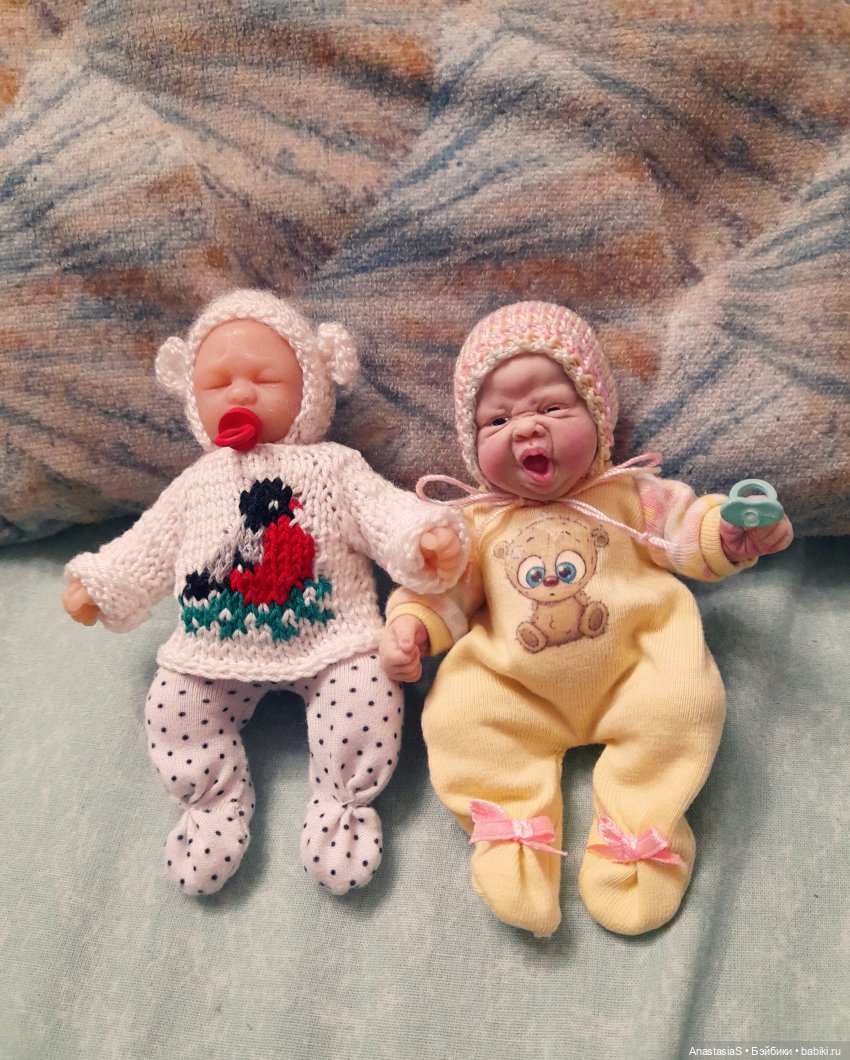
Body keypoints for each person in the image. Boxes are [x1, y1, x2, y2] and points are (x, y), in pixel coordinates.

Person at [380, 301, 793, 937]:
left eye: (551, 408)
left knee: (685, 704)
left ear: (599, 417)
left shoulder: (628, 494)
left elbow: (687, 531)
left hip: (635, 668)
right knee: (459, 714)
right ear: (470, 445)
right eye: (498, 419)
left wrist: (732, 535)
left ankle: (638, 831)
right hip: (516, 687)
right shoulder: (475, 523)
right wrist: (411, 626)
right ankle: (511, 832)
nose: (526, 429)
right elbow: (442, 590)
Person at [63, 289, 467, 897]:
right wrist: (103, 582)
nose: (241, 393)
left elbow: (383, 511)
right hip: (210, 653)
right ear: (192, 398)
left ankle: (341, 803)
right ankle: (212, 803)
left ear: (311, 387)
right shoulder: (197, 483)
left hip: (334, 642)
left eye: (265, 378)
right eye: (218, 382)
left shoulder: (332, 466)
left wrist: (422, 538)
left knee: (369, 692)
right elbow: (147, 545)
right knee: (173, 707)